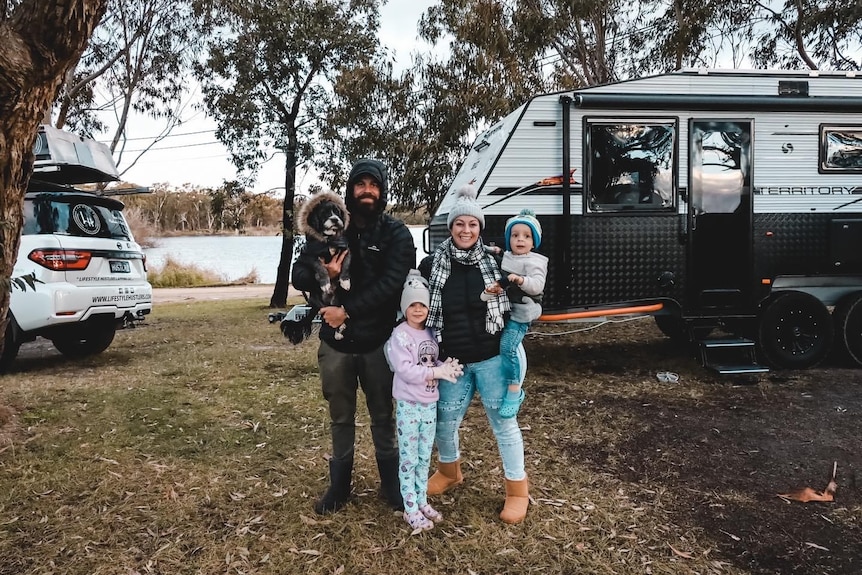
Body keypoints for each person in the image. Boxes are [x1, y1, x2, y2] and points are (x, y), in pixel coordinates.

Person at [291, 158, 415, 514]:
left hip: (379, 342)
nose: (367, 191)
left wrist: (348, 309)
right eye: (360, 185)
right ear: (350, 190)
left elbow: (392, 284)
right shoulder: (327, 228)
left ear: (382, 191)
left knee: (382, 416)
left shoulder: (396, 234)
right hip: (336, 344)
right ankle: (339, 486)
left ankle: (392, 486)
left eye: (373, 185)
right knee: (340, 416)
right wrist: (323, 273)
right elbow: (299, 274)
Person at [419, 184, 530, 525]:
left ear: (480, 229)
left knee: (503, 424)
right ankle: (450, 471)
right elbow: (414, 306)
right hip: (451, 361)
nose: (466, 230)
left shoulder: (497, 264)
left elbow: (528, 296)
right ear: (450, 228)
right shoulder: (430, 266)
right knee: (445, 420)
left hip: (492, 358)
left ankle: (517, 491)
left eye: (472, 225)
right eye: (459, 224)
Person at [384, 270, 463, 531]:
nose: (418, 310)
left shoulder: (430, 332)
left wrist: (446, 366)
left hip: (429, 404)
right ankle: (409, 507)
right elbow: (406, 369)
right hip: (409, 405)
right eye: (412, 305)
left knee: (424, 456)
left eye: (423, 305)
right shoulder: (400, 335)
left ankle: (421, 500)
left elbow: (430, 361)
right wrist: (435, 372)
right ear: (405, 307)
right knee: (409, 458)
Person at [481, 209, 548, 418]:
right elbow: (500, 255)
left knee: (508, 346)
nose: (520, 240)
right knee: (504, 346)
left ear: (534, 241)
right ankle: (506, 378)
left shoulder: (536, 261)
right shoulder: (509, 255)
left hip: (523, 310)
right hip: (507, 308)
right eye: (515, 235)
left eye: (526, 236)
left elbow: (537, 286)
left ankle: (514, 390)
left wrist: (520, 280)